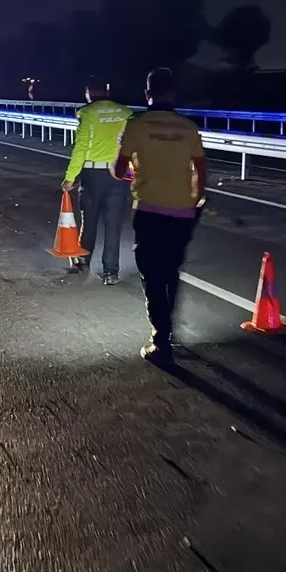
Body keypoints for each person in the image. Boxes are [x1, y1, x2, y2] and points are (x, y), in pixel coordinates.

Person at [113, 68, 207, 364]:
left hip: (150, 210)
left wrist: (134, 172)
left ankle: (160, 340)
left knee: (152, 275)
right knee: (171, 271)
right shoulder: (188, 127)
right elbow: (202, 172)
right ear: (174, 94)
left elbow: (118, 170)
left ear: (147, 94)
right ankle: (169, 331)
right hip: (182, 212)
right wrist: (194, 201)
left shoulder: (136, 125)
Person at [62, 76, 132, 284]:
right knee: (113, 224)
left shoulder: (87, 113)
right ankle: (111, 272)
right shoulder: (125, 113)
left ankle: (83, 261)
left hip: (94, 175)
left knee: (90, 220)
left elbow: (81, 149)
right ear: (107, 91)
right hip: (120, 173)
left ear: (89, 93)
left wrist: (70, 177)